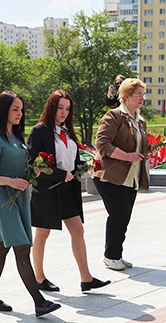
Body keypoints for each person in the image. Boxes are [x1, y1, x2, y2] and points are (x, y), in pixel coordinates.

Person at [0, 91, 61, 317]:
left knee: (2, 248)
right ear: (3, 110)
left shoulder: (16, 138)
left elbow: (17, 167)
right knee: (22, 248)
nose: (20, 114)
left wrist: (32, 172)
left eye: (21, 110)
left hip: (18, 197)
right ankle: (39, 302)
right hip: (2, 199)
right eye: (15, 109)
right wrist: (10, 181)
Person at [27, 91, 110, 293]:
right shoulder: (39, 131)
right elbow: (33, 164)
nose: (64, 112)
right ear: (51, 107)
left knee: (78, 230)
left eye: (67, 108)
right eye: (60, 107)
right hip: (47, 189)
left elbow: (71, 160)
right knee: (42, 233)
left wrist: (85, 165)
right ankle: (39, 278)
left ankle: (86, 278)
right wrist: (58, 174)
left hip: (68, 189)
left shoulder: (68, 131)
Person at [91, 78, 150, 271]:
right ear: (125, 97)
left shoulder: (140, 120)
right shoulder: (113, 116)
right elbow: (102, 144)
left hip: (130, 176)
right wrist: (126, 155)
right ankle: (111, 255)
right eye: (138, 94)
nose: (142, 98)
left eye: (143, 94)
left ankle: (116, 254)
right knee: (119, 214)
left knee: (124, 216)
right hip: (109, 175)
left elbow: (139, 145)